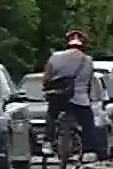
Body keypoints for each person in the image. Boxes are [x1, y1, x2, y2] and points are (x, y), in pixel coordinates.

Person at [41, 29, 106, 160]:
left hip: (59, 98)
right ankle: (88, 151)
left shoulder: (55, 57)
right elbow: (88, 84)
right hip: (79, 100)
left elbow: (46, 79)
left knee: (51, 115)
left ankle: (48, 142)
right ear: (83, 45)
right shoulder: (87, 61)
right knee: (88, 122)